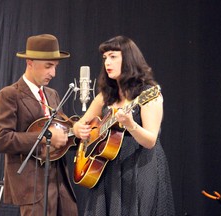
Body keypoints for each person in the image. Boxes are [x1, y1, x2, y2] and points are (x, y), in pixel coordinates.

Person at [72, 35, 175, 216]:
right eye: (105, 58)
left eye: (113, 56)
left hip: (139, 167)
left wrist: (130, 124)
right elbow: (81, 123)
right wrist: (77, 129)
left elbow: (151, 140)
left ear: (128, 59)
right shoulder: (105, 95)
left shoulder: (148, 94)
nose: (107, 63)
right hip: (108, 168)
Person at [0, 34, 78, 216]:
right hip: (32, 186)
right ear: (30, 62)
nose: (53, 73)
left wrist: (76, 133)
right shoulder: (9, 95)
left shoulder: (53, 95)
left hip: (60, 183)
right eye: (48, 66)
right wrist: (48, 138)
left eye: (55, 66)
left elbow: (62, 134)